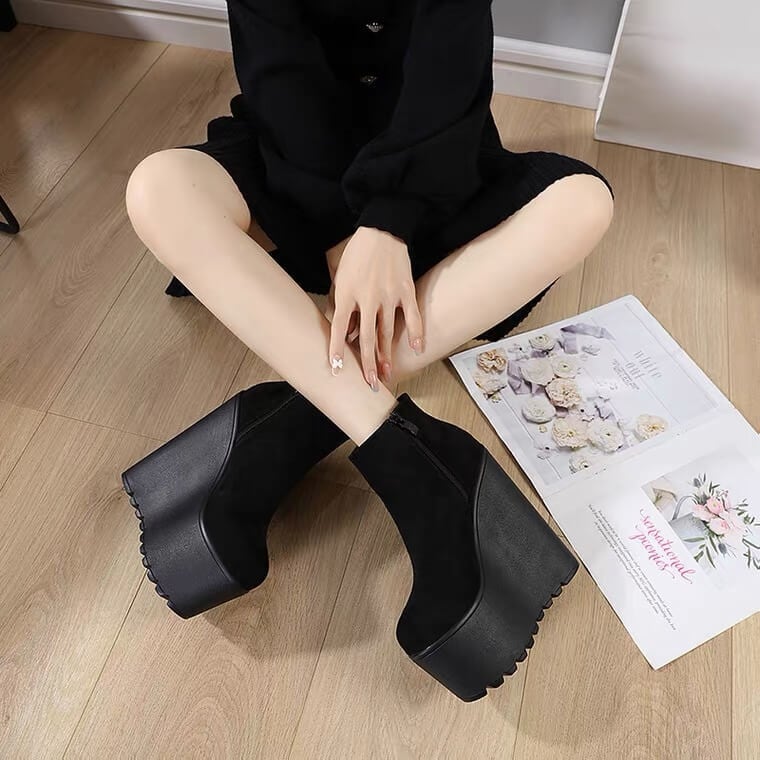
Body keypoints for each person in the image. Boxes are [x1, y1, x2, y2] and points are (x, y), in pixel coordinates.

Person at [121, 0, 614, 701]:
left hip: (433, 167)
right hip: (295, 172)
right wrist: (340, 234)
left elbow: (451, 73)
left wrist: (388, 223)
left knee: (585, 204)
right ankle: (433, 483)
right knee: (158, 188)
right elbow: (280, 82)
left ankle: (284, 429)